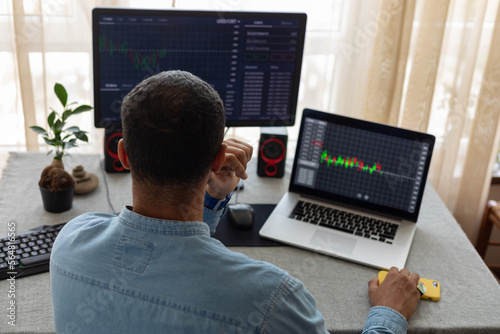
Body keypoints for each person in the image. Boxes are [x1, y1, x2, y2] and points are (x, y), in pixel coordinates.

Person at [50, 70, 421, 333]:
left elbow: (167, 247)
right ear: (218, 158)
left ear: (124, 155)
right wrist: (388, 313)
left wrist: (211, 200)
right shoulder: (271, 300)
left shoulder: (70, 240)